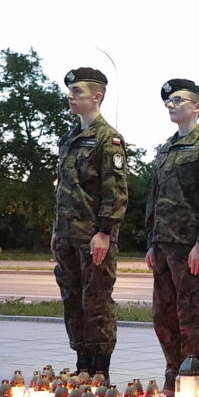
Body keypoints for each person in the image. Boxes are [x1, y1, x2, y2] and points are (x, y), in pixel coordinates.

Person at [144, 79, 199, 397]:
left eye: (178, 100)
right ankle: (172, 378)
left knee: (191, 318)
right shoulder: (166, 150)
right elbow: (155, 199)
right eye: (168, 100)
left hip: (189, 247)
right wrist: (151, 241)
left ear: (197, 106)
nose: (171, 104)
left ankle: (195, 382)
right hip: (164, 245)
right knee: (163, 317)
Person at [52, 67, 129, 378]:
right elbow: (62, 189)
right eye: (70, 90)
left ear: (97, 97)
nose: (71, 95)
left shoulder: (107, 140)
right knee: (72, 300)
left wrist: (105, 232)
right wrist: (56, 232)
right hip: (67, 235)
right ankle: (82, 363)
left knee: (96, 301)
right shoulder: (68, 139)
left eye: (78, 91)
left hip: (93, 237)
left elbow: (116, 191)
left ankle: (100, 370)